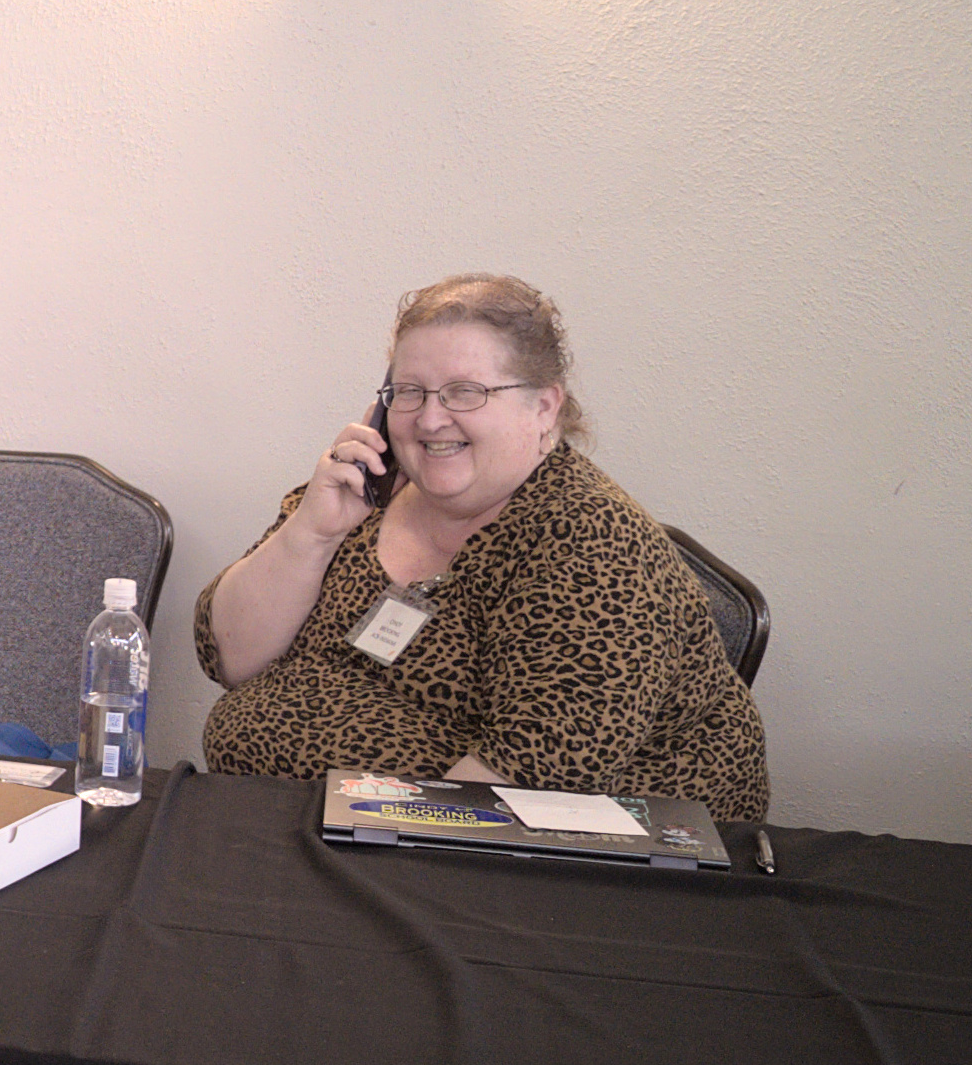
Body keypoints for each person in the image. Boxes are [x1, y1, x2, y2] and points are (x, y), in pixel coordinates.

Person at [195, 273, 768, 819]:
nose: (429, 419)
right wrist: (313, 532)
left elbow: (530, 782)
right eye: (409, 392)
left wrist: (336, 844)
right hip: (309, 829)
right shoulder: (365, 495)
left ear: (543, 408)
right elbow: (231, 657)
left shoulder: (592, 542)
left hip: (544, 869)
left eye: (465, 393)